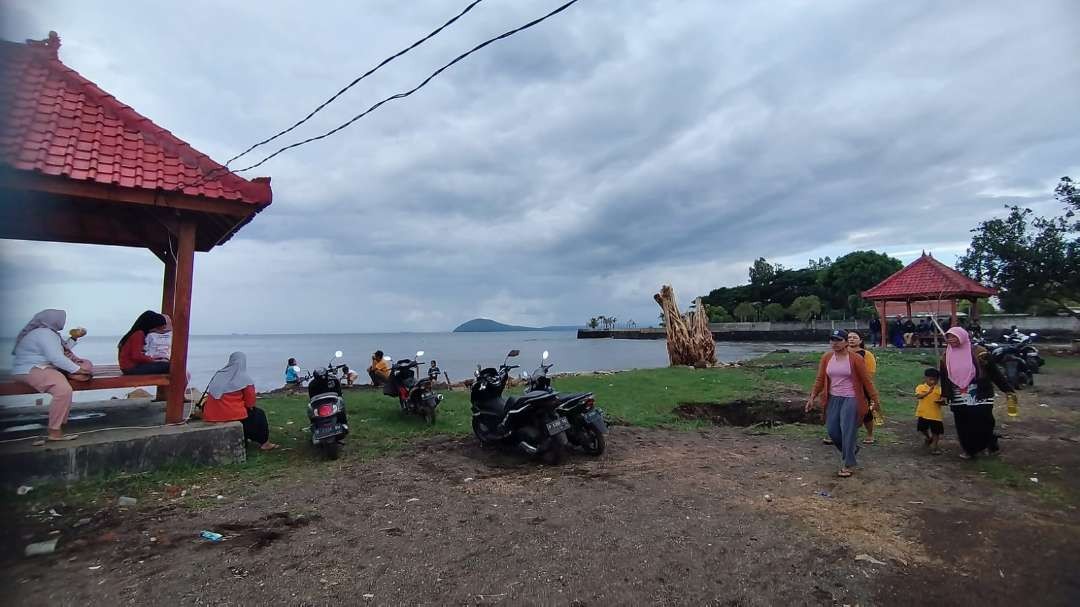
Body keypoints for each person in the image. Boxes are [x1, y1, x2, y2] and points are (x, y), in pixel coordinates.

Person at [806, 329, 880, 478]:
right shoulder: (827, 358)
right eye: (832, 340)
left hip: (852, 398)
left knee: (848, 430)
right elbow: (820, 379)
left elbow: (866, 380)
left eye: (838, 340)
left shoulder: (855, 359)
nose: (834, 343)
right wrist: (812, 397)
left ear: (845, 342)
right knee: (832, 430)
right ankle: (851, 450)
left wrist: (874, 399)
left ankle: (848, 464)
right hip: (833, 398)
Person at [10, 309, 93, 442]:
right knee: (63, 390)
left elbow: (61, 349)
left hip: (35, 368)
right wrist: (78, 370)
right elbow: (56, 357)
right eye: (62, 319)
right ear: (55, 320)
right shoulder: (45, 334)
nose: (64, 322)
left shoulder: (48, 333)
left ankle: (58, 426)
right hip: (32, 369)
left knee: (67, 383)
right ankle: (55, 431)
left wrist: (74, 338)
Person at [940, 327, 1014, 460]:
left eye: (954, 337)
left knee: (984, 421)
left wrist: (1006, 389)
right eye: (948, 337)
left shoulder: (980, 352)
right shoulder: (946, 356)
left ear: (962, 337)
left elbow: (994, 372)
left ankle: (989, 442)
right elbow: (945, 377)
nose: (951, 340)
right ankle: (970, 450)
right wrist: (945, 394)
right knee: (963, 424)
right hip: (958, 394)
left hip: (979, 392)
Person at [202, 352, 278, 451]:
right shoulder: (245, 379)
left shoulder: (219, 374)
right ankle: (265, 443)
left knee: (248, 416)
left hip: (211, 415)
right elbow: (250, 403)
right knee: (259, 415)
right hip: (231, 415)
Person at [847, 330, 880, 445]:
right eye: (849, 337)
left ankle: (870, 434)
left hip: (862, 387)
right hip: (843, 387)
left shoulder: (866, 354)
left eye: (854, 337)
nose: (851, 339)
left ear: (860, 340)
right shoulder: (842, 353)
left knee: (865, 412)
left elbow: (870, 373)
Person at [915, 368, 945, 454]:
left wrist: (942, 402)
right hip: (923, 413)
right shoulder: (921, 387)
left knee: (936, 431)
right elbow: (919, 396)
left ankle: (934, 447)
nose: (933, 382)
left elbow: (942, 401)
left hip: (935, 415)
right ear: (925, 378)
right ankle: (928, 437)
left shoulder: (939, 389)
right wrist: (928, 392)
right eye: (930, 379)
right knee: (922, 428)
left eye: (935, 380)